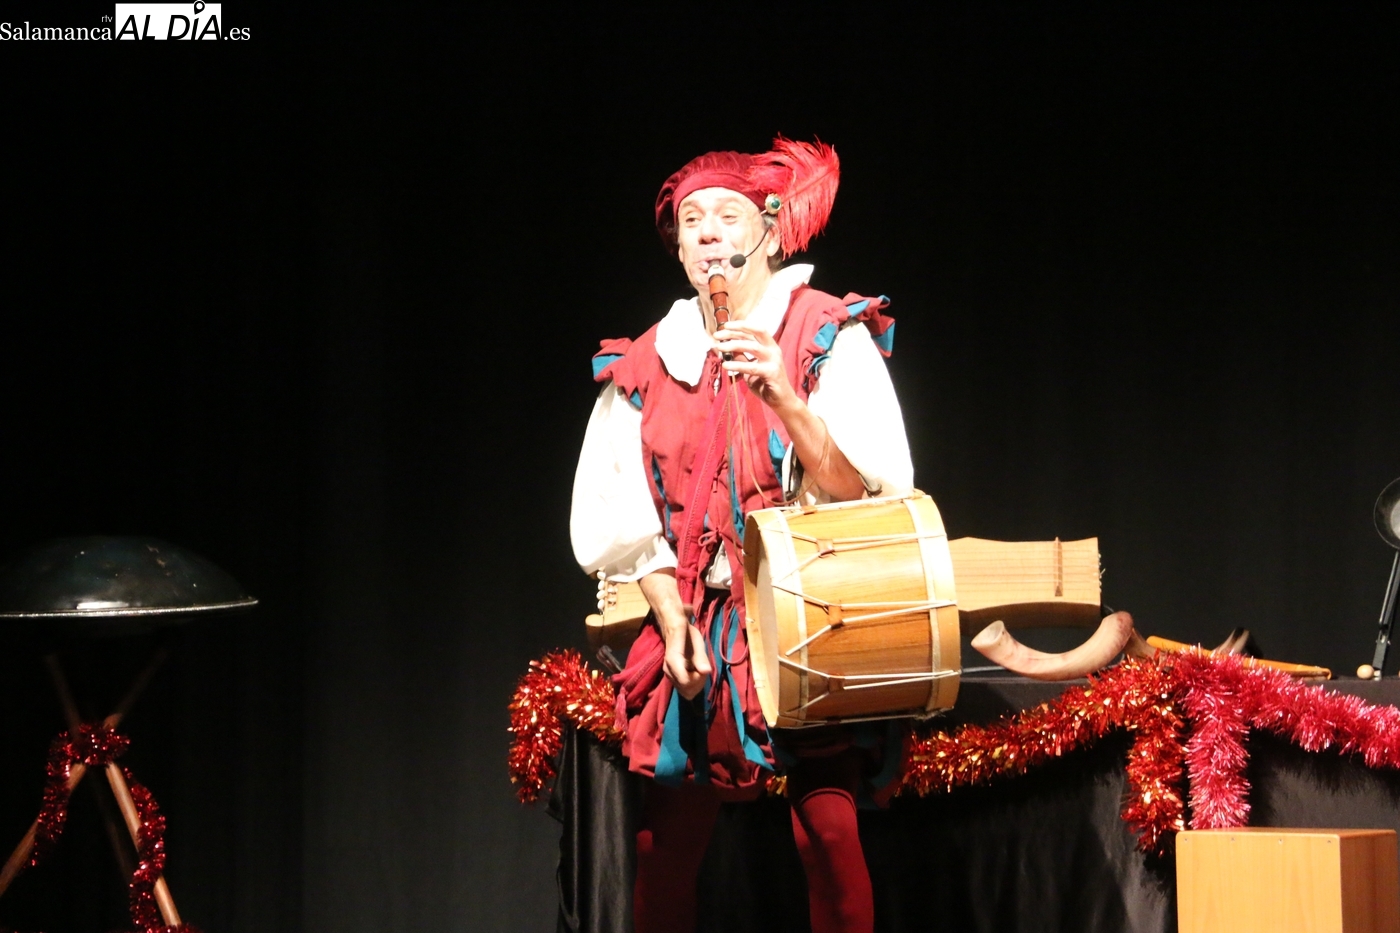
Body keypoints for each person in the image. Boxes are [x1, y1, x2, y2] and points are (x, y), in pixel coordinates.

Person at [570, 138, 914, 933]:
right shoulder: (648, 363)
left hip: (809, 611)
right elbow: (623, 516)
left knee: (828, 834)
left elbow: (868, 491)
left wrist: (786, 397)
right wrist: (672, 617)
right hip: (699, 616)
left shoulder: (824, 332)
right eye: (691, 221)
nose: (707, 233)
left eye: (727, 215)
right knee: (662, 843)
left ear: (769, 229)